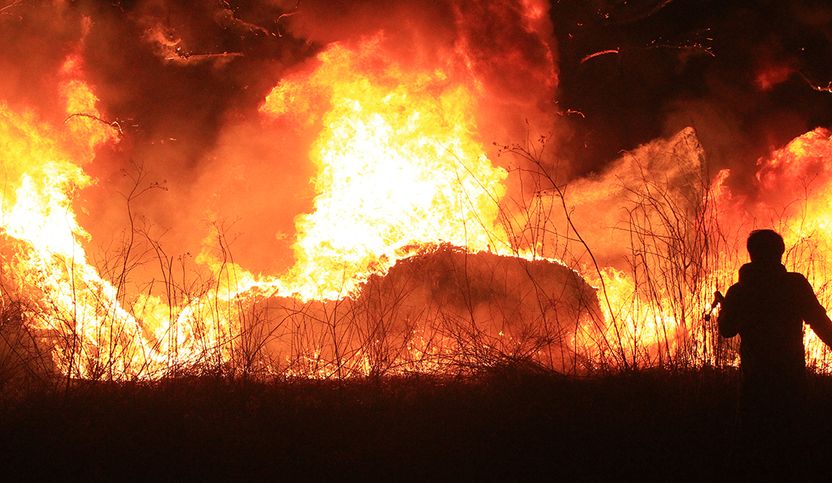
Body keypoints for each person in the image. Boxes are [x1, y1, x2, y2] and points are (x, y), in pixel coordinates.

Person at [718, 229, 832, 472]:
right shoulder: (794, 284)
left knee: (752, 441)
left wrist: (725, 309)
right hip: (791, 375)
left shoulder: (739, 291)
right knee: (793, 439)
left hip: (755, 378)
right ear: (780, 253)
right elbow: (819, 321)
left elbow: (727, 330)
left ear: (751, 254)